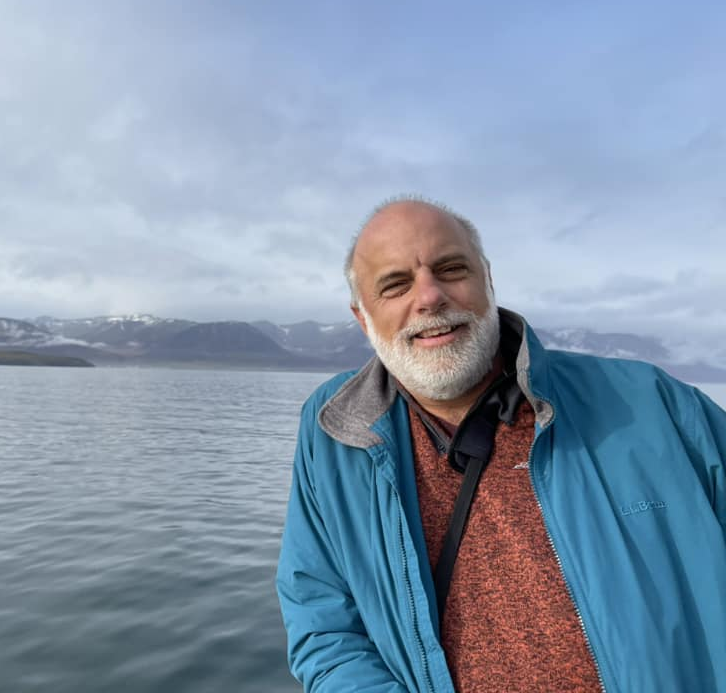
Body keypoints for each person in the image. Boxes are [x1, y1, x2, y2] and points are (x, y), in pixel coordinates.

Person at [276, 197, 726, 693]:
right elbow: (323, 624)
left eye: (450, 269)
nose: (429, 296)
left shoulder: (650, 405)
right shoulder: (336, 430)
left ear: (487, 280)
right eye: (395, 284)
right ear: (363, 318)